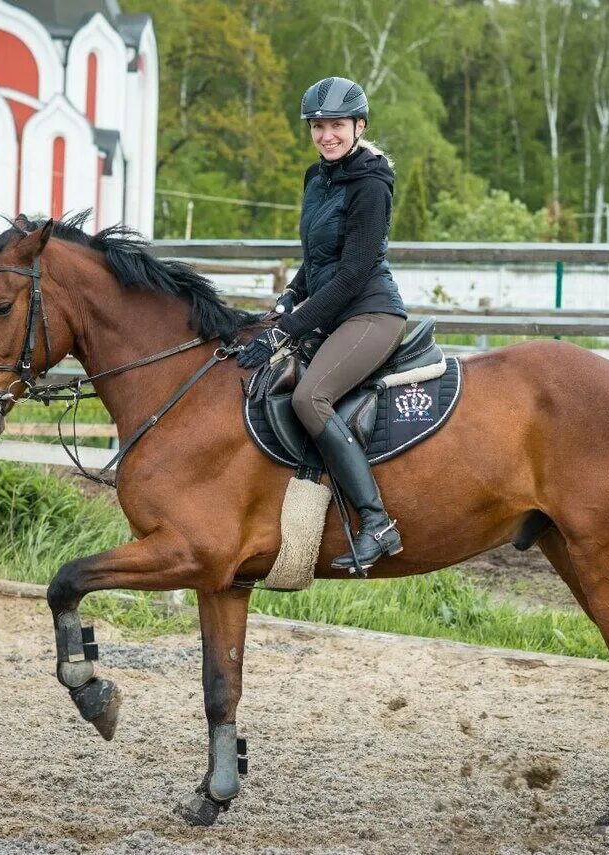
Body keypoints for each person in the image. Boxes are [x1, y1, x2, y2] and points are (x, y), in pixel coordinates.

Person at [237, 76, 408, 575]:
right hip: (330, 308)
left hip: (370, 312)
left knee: (308, 397)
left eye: (336, 125)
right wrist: (289, 298)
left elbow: (354, 272)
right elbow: (317, 258)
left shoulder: (372, 182)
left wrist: (290, 328)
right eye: (318, 126)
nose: (326, 135)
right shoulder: (317, 177)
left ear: (359, 126)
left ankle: (377, 522)